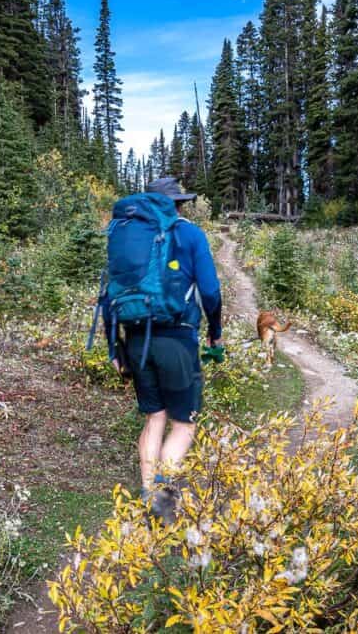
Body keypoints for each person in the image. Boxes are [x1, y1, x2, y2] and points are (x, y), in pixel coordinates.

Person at [105, 177, 223, 522]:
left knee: (154, 417)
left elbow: (109, 293)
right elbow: (211, 292)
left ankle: (147, 493)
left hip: (136, 337)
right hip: (176, 337)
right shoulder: (190, 234)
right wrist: (216, 333)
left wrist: (115, 348)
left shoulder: (127, 235)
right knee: (184, 425)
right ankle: (161, 502)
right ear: (178, 204)